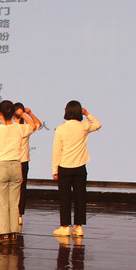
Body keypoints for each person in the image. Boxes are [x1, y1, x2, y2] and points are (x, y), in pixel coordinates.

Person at [0, 100, 39, 246]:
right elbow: (33, 125)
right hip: (16, 166)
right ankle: (13, 233)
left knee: (1, 202)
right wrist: (23, 114)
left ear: (0, 113)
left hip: (1, 166)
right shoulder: (18, 128)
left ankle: (4, 234)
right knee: (14, 202)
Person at [51, 101, 101, 237]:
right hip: (80, 167)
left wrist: (54, 169)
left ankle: (65, 227)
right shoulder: (84, 126)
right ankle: (78, 227)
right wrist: (87, 113)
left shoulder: (61, 128)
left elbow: (57, 150)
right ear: (79, 112)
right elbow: (97, 124)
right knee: (80, 197)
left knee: (64, 197)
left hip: (64, 167)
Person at [14, 102, 42, 225]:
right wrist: (28, 114)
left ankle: (17, 213)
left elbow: (37, 124)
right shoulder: (21, 127)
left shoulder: (24, 127)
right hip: (17, 161)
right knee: (19, 188)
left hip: (20, 161)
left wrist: (26, 113)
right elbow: (36, 124)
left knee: (19, 188)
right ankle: (17, 213)